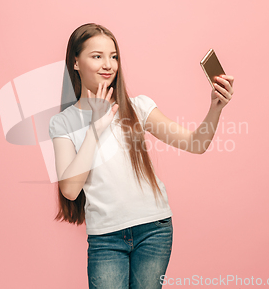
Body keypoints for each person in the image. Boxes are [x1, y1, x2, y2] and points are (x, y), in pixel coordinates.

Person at [48, 23, 234, 289]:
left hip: (154, 230)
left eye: (113, 56)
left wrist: (216, 107)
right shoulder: (63, 123)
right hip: (105, 238)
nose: (108, 64)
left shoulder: (138, 107)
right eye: (97, 56)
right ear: (75, 62)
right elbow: (69, 190)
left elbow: (196, 143)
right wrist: (95, 128)